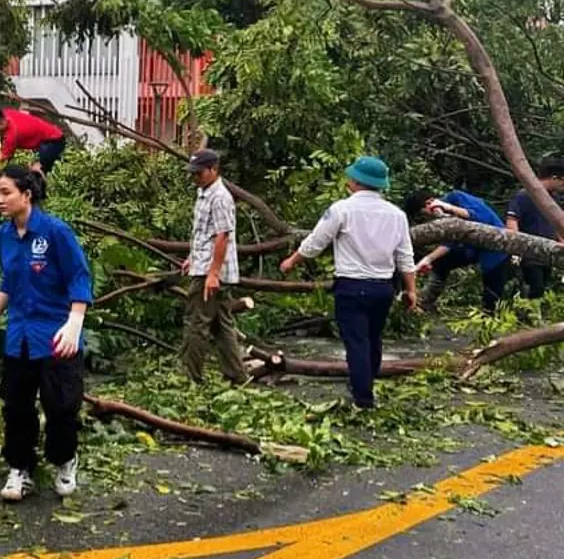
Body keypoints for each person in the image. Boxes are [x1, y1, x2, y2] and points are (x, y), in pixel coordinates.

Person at [0, 167, 93, 502]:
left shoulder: (55, 232)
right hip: (20, 335)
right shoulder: (5, 235)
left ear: (26, 195)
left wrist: (74, 323)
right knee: (16, 406)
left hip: (57, 335)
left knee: (61, 406)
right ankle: (20, 468)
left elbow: (79, 277)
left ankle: (65, 461)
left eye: (6, 192)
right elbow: (10, 280)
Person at [280, 157, 418, 410]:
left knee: (356, 341)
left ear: (356, 181)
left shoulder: (341, 209)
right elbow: (405, 257)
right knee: (373, 339)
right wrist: (411, 290)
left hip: (351, 286)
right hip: (382, 288)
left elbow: (315, 242)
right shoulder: (397, 215)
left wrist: (292, 260)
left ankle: (363, 398)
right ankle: (366, 381)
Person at [179, 149, 249, 384]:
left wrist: (213, 273)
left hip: (209, 272)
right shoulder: (204, 192)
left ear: (213, 170)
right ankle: (237, 375)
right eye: (193, 174)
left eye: (199, 173)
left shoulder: (220, 197)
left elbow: (222, 236)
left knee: (196, 323)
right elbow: (202, 233)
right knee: (222, 324)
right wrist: (192, 257)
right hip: (203, 265)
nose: (195, 177)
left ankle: (191, 378)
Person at [405, 188, 509, 313]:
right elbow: (450, 243)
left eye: (423, 214)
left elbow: (479, 216)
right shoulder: (442, 217)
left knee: (492, 292)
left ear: (430, 203)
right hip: (472, 248)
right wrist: (428, 259)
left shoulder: (457, 197)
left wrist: (448, 207)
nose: (427, 217)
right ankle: (426, 302)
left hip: (495, 247)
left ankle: (491, 314)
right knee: (442, 262)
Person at [505, 158, 564, 299]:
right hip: (529, 250)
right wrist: (516, 248)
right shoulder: (524, 195)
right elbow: (512, 221)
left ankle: (532, 313)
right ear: (554, 178)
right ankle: (526, 312)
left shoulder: (553, 198)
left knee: (542, 287)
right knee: (535, 287)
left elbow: (557, 224)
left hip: (548, 250)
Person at [0, 106, 67, 181]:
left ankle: (43, 196)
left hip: (54, 142)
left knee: (37, 171)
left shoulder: (12, 135)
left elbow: (1, 160)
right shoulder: (6, 113)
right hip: (47, 137)